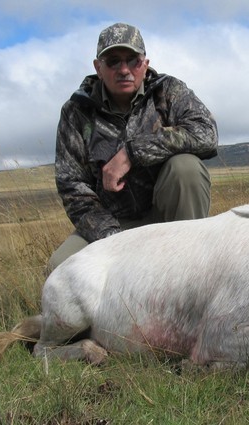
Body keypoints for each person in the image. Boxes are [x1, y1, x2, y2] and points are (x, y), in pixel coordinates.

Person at [48, 23, 218, 271]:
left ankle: (192, 270)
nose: (124, 70)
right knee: (59, 268)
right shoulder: (76, 111)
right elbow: (73, 188)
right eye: (113, 61)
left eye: (133, 60)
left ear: (145, 64)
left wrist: (132, 152)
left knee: (186, 167)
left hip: (169, 221)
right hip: (111, 226)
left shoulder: (168, 91)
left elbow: (207, 134)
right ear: (98, 67)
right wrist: (116, 241)